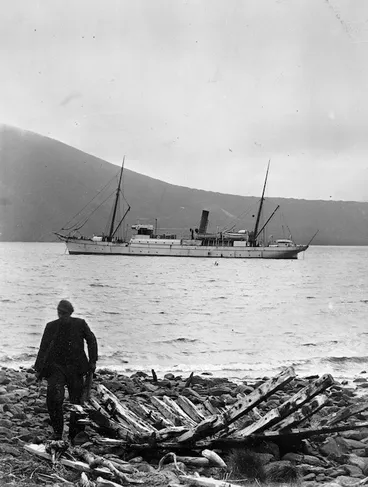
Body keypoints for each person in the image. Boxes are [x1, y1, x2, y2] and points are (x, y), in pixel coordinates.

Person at [34, 299, 98, 442]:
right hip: (61, 368)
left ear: (63, 312)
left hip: (70, 368)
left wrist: (93, 361)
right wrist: (39, 369)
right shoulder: (64, 325)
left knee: (70, 401)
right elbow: (43, 348)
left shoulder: (66, 324)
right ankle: (64, 433)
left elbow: (91, 340)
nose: (63, 316)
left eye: (63, 313)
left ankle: (70, 433)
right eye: (62, 313)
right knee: (60, 399)